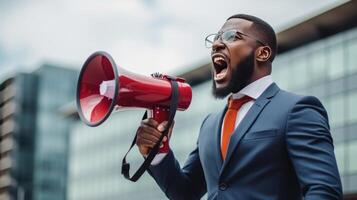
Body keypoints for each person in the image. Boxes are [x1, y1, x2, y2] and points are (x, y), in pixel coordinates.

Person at [135, 14, 343, 200]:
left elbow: (323, 191)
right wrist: (157, 151)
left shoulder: (297, 109)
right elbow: (185, 193)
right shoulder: (210, 124)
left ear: (262, 53)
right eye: (215, 38)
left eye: (231, 36)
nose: (216, 44)